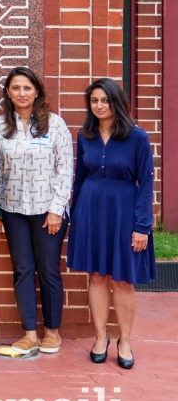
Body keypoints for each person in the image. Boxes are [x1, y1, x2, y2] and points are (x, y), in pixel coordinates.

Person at [67, 78, 157, 369]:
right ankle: (100, 337)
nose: (99, 106)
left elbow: (145, 183)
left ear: (117, 102)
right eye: (94, 101)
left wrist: (142, 226)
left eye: (105, 100)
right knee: (96, 276)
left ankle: (126, 340)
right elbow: (79, 178)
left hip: (124, 212)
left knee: (122, 279)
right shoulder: (85, 136)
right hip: (91, 212)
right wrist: (76, 215)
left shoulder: (137, 137)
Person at [0, 66, 73, 355]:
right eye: (15, 88)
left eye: (27, 88)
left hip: (47, 210)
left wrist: (56, 209)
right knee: (22, 270)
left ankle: (52, 332)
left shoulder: (55, 125)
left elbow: (65, 170)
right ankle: (29, 334)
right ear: (8, 93)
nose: (21, 93)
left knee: (48, 270)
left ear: (37, 91)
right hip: (13, 210)